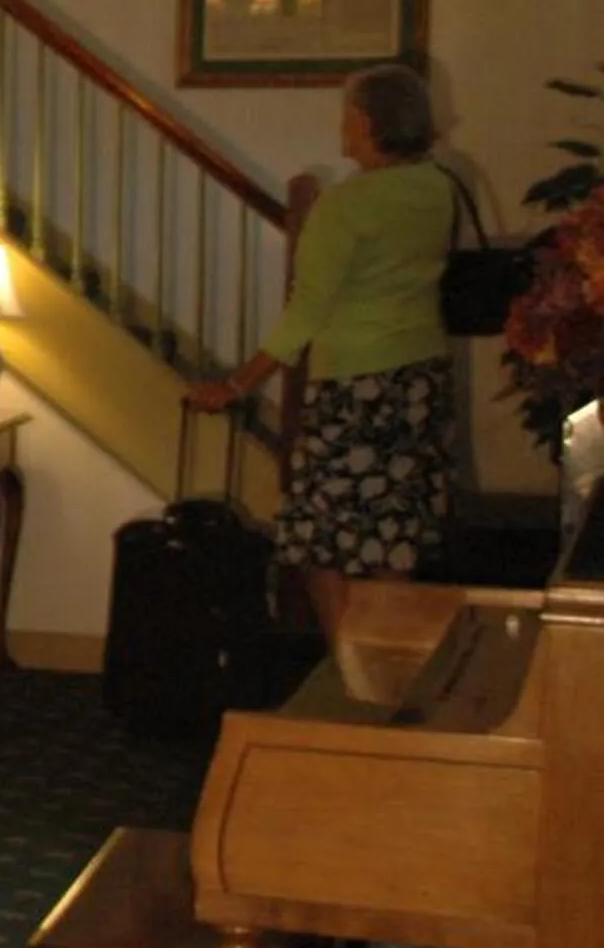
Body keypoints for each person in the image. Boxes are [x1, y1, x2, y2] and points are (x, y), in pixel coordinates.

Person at [187, 61, 454, 639]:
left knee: (321, 542)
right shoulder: (438, 188)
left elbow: (304, 315)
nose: (343, 123)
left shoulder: (346, 205)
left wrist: (236, 385)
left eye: (347, 112)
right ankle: (391, 672)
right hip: (418, 379)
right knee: (392, 539)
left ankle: (352, 675)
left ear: (365, 120)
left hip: (354, 385)